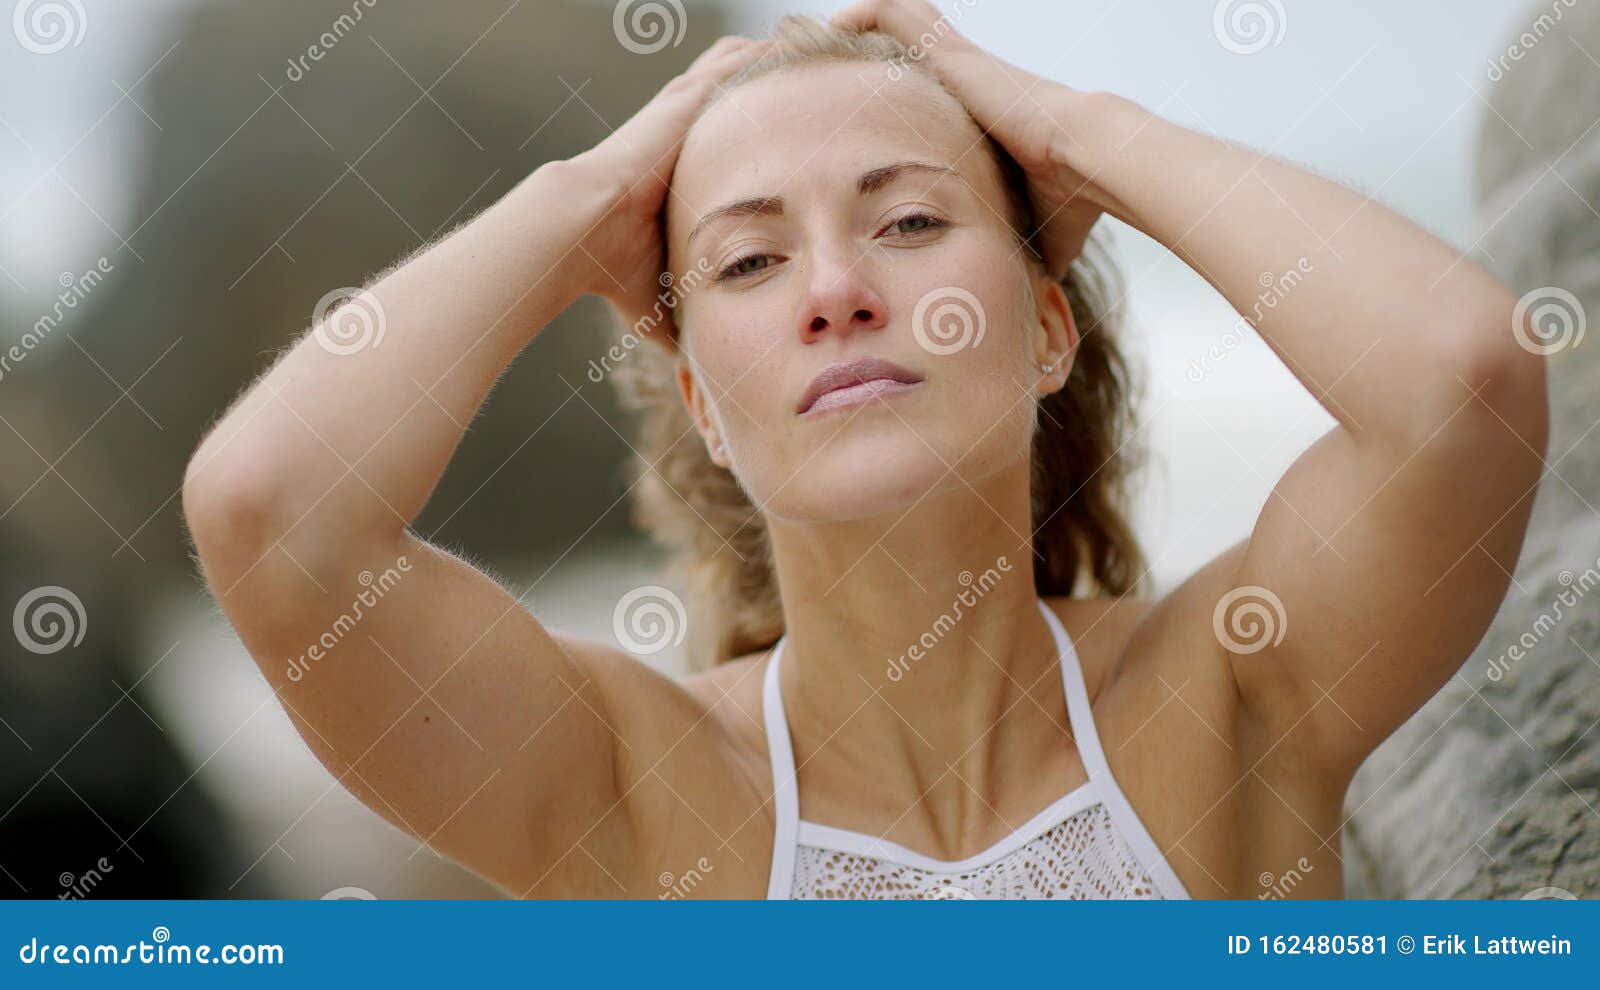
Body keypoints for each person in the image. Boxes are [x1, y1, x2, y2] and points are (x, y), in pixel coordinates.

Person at [181, 1, 1548, 898]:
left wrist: (1077, 131)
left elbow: (1463, 376)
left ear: (1046, 332)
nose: (836, 288)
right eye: (752, 257)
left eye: (907, 224)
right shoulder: (633, 794)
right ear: (705, 407)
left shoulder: (1232, 696)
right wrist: (586, 198)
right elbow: (269, 514)